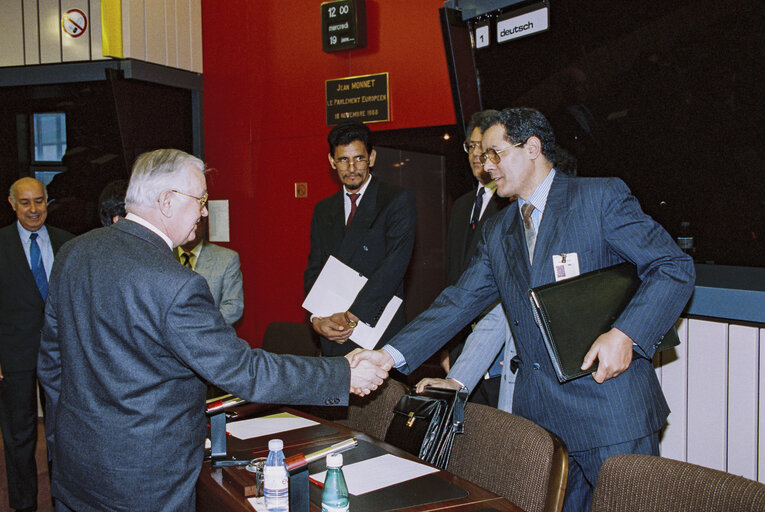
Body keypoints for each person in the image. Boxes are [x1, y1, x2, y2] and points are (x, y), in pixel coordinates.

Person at [352, 108, 696, 511]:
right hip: (542, 426)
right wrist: (387, 355)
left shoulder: (598, 198)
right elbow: (458, 302)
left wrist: (626, 334)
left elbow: (673, 267)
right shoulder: (499, 231)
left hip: (611, 413)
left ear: (532, 148)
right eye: (481, 155)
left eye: (496, 153)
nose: (486, 165)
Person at [37, 149, 388, 512]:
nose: (205, 211)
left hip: (75, 468)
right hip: (145, 480)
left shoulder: (74, 252)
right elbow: (243, 370)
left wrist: (63, 439)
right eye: (200, 200)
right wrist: (343, 374)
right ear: (167, 201)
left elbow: (51, 362)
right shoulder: (174, 284)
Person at [427, 109, 515, 410]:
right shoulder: (463, 205)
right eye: (472, 146)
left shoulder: (512, 204)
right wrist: (448, 345)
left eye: (486, 147)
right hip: (463, 346)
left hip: (503, 348)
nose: (478, 154)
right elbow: (455, 282)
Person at [304, 122, 417, 357]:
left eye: (359, 158)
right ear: (332, 161)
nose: (352, 167)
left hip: (375, 330)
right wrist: (316, 319)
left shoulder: (395, 201)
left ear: (372, 158)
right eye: (343, 160)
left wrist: (350, 316)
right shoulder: (323, 210)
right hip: (332, 334)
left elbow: (393, 268)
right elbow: (315, 267)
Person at [0, 177, 73, 512]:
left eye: (39, 201)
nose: (34, 210)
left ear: (47, 202)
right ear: (12, 204)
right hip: (13, 355)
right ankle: (24, 503)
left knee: (62, 433)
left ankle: (64, 499)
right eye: (26, 202)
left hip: (62, 354)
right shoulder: (0, 244)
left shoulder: (68, 244)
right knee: (19, 435)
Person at [175, 217, 244, 325]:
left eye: (197, 221)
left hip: (208, 334)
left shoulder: (227, 258)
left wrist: (200, 328)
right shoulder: (162, 255)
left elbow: (233, 307)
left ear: (205, 223)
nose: (193, 226)